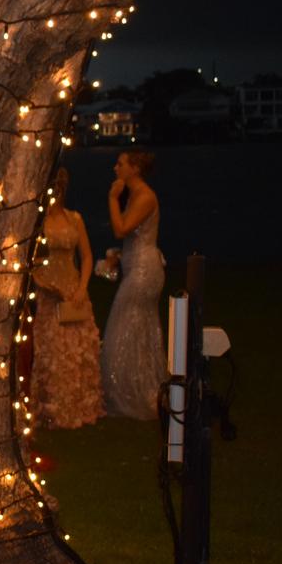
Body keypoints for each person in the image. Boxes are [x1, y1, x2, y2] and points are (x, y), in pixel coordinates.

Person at [30, 167, 105, 428]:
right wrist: (47, 286)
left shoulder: (74, 219)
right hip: (49, 292)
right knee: (51, 352)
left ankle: (79, 406)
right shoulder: (37, 222)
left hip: (72, 289)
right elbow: (31, 263)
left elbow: (86, 256)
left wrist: (82, 287)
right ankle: (51, 409)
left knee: (77, 350)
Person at [100, 150, 166, 421]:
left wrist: (113, 199)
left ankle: (138, 394)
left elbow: (121, 228)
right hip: (135, 266)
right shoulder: (139, 196)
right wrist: (117, 256)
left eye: (121, 164)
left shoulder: (145, 197)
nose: (116, 168)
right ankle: (135, 389)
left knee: (123, 330)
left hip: (143, 272)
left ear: (135, 168)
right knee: (134, 332)